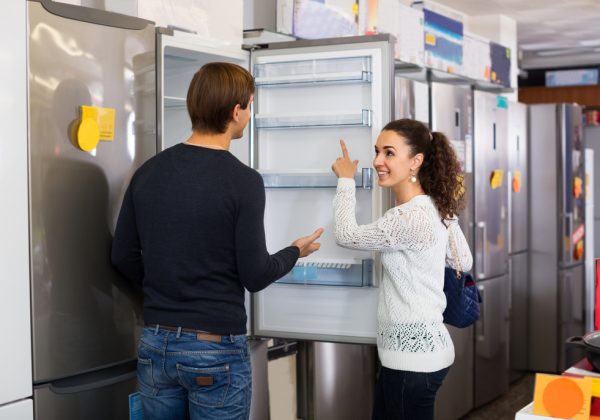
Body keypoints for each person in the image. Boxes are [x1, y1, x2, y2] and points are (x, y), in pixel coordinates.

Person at [112, 62, 323, 420]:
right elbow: (255, 275)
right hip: (214, 350)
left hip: (156, 345)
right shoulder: (243, 181)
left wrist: (166, 286)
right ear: (236, 111)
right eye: (250, 106)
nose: (249, 114)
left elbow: (123, 256)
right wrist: (294, 252)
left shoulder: (148, 172)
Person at [331, 119, 473, 420]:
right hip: (423, 354)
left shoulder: (405, 218)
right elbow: (464, 261)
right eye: (377, 151)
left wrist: (346, 181)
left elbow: (347, 235)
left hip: (413, 362)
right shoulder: (432, 208)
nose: (378, 161)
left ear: (416, 162)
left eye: (389, 153)